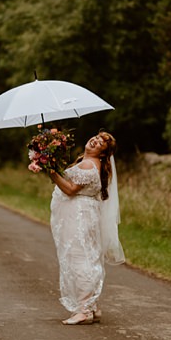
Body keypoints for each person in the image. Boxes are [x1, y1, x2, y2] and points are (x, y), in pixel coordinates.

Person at [46, 131, 126, 325]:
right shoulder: (88, 163)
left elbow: (71, 189)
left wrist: (51, 172)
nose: (95, 140)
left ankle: (83, 311)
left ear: (102, 154)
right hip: (84, 215)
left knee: (79, 259)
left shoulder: (90, 165)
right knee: (88, 257)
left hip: (79, 216)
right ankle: (92, 306)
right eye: (97, 138)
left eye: (101, 143)